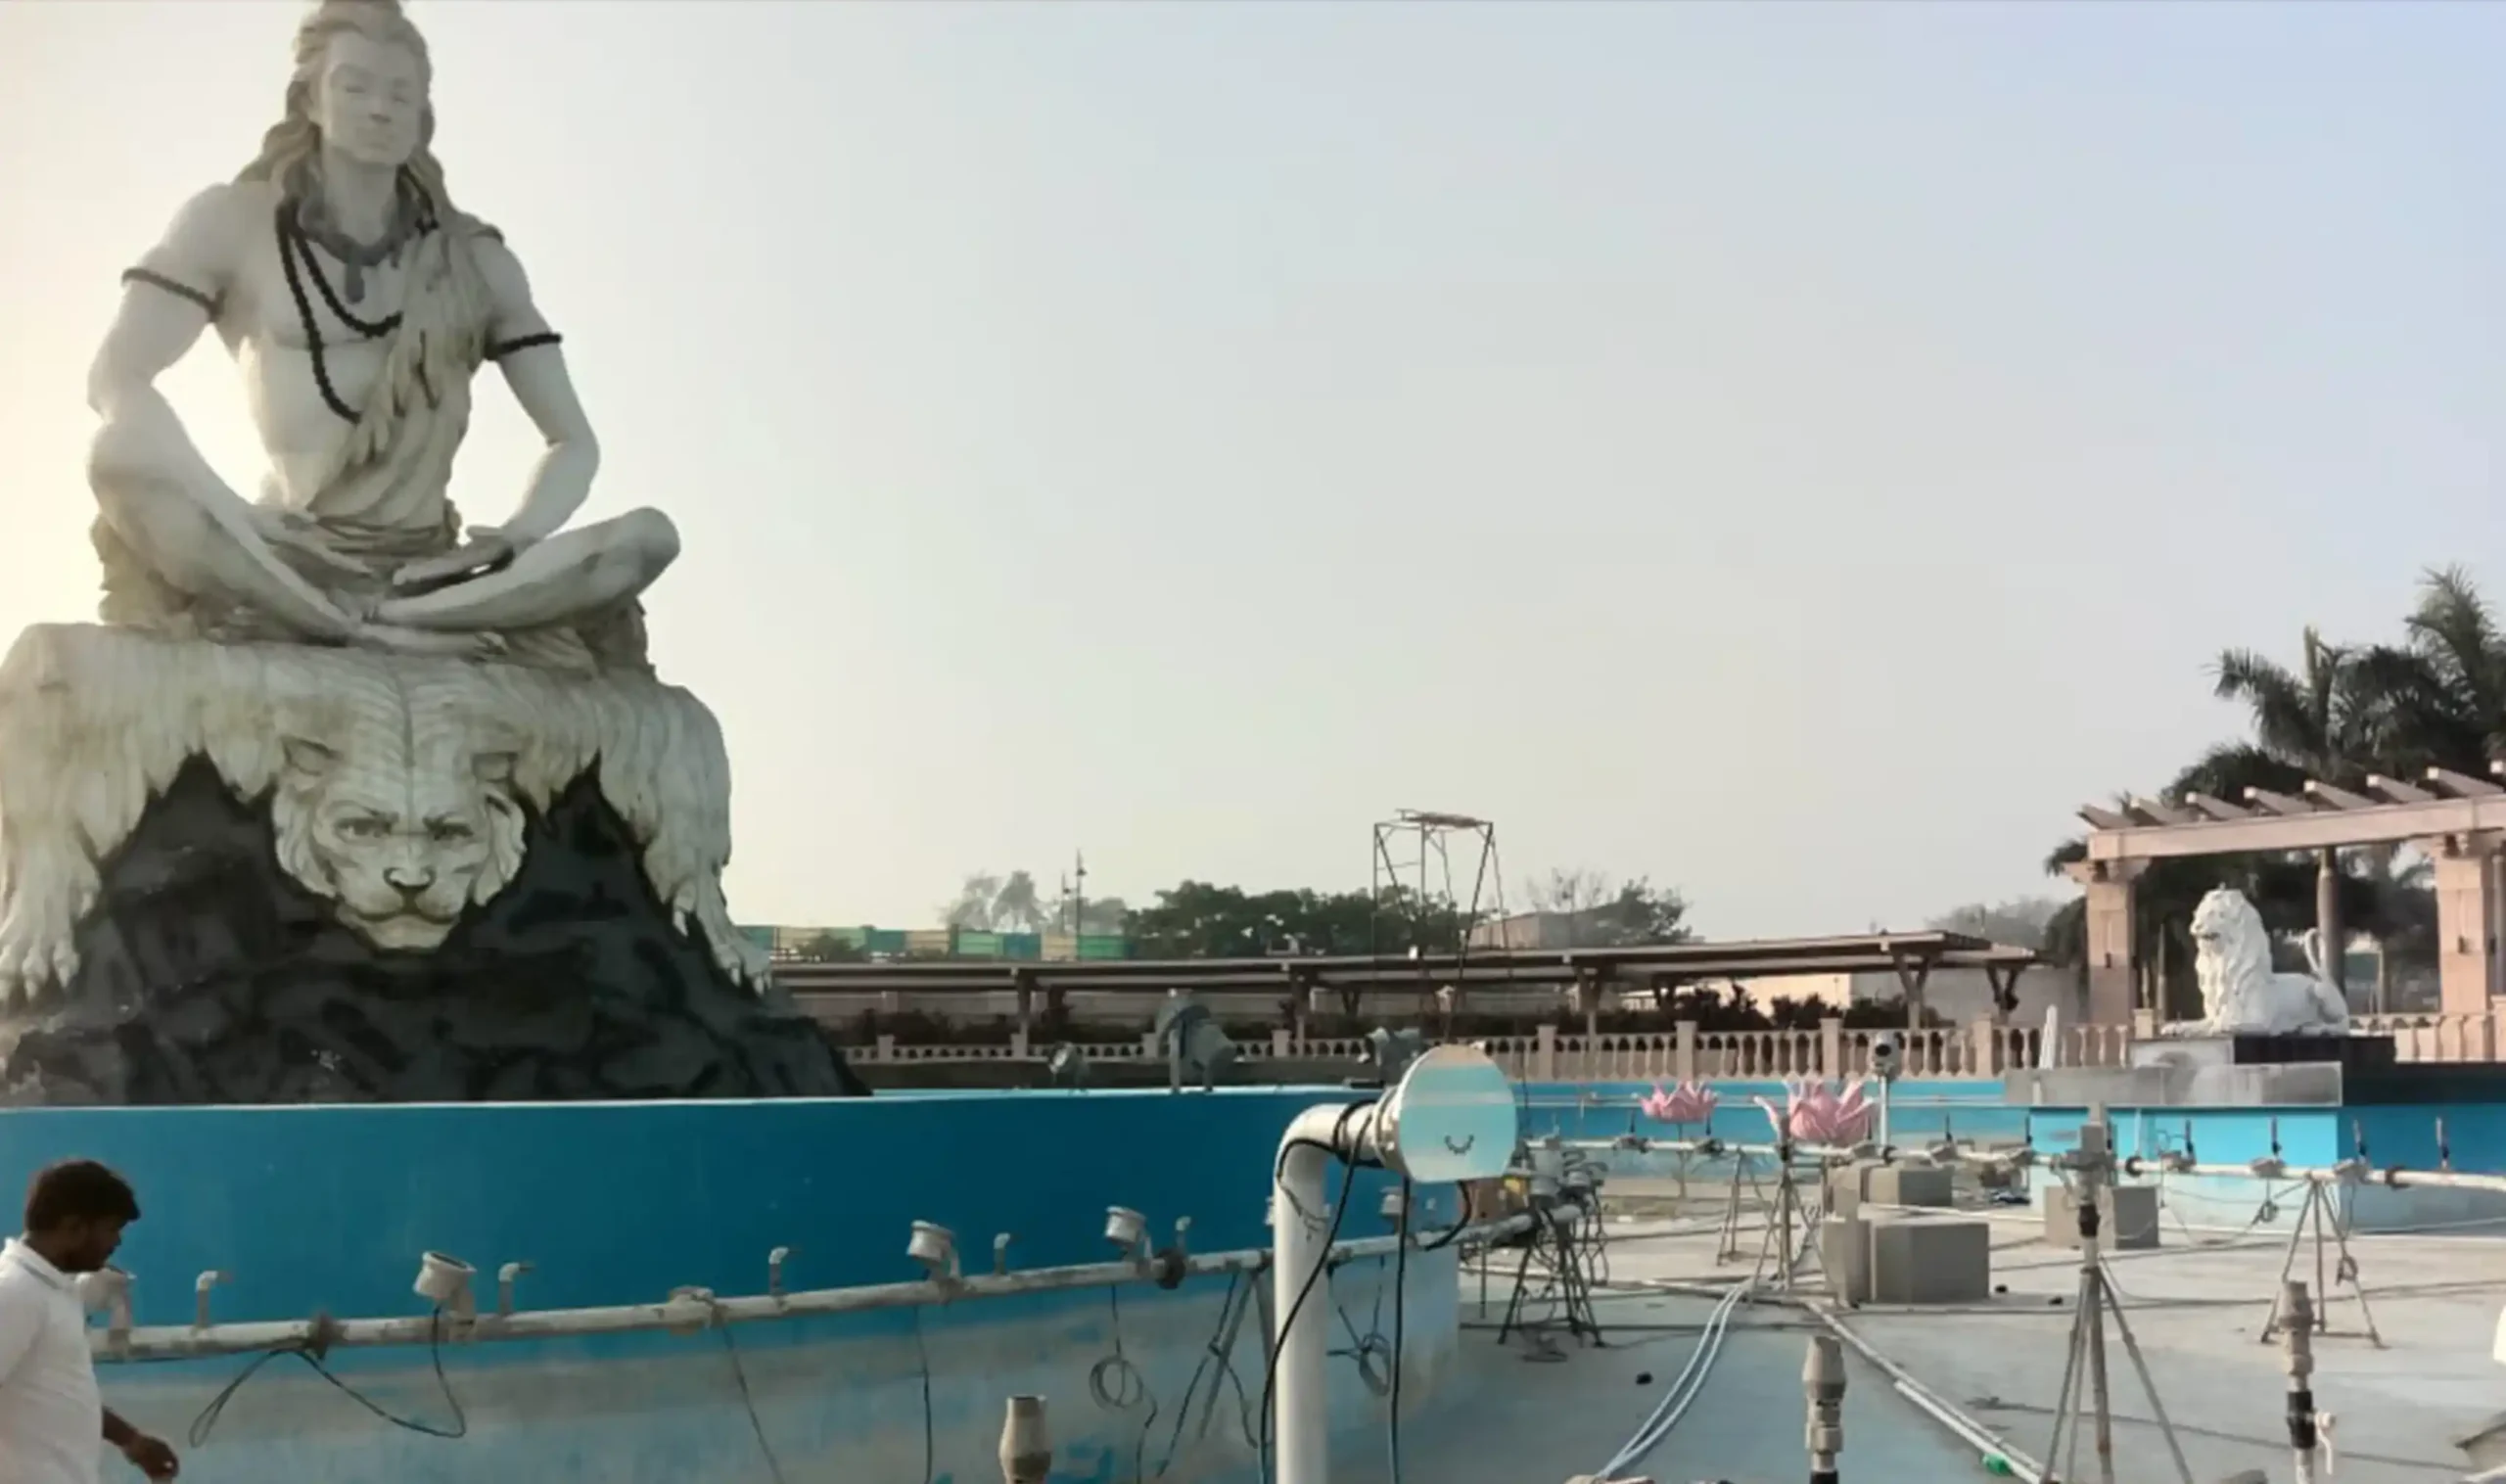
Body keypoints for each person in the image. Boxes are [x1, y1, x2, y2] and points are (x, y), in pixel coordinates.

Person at [85, 0, 677, 673]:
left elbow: (573, 441)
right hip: (284, 552)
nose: (379, 109)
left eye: (400, 92)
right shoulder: (231, 223)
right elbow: (115, 377)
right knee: (120, 454)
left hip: (428, 572)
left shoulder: (474, 259)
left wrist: (516, 538)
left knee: (648, 538)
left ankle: (390, 621)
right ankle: (342, 621)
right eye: (355, 86)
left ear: (424, 111)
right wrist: (237, 515)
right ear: (309, 98)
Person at [0, 1162, 178, 1482]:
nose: (118, 1242)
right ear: (73, 1227)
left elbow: (56, 1392)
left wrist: (130, 1440)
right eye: (111, 1229)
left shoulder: (54, 1287)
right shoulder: (15, 1292)